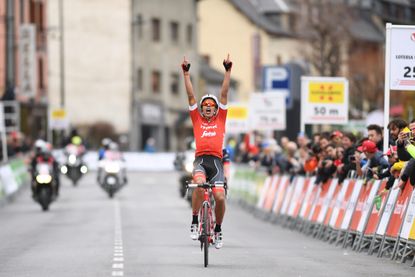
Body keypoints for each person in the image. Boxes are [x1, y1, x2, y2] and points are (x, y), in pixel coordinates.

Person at [181, 54, 232, 249]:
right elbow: (191, 96)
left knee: (219, 197)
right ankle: (195, 220)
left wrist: (227, 71)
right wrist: (186, 74)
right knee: (198, 185)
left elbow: (225, 94)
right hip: (201, 161)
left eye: (212, 106)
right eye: (206, 106)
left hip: (216, 163)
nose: (209, 108)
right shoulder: (197, 120)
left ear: (216, 109)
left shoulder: (221, 119)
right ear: (202, 109)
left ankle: (218, 228)